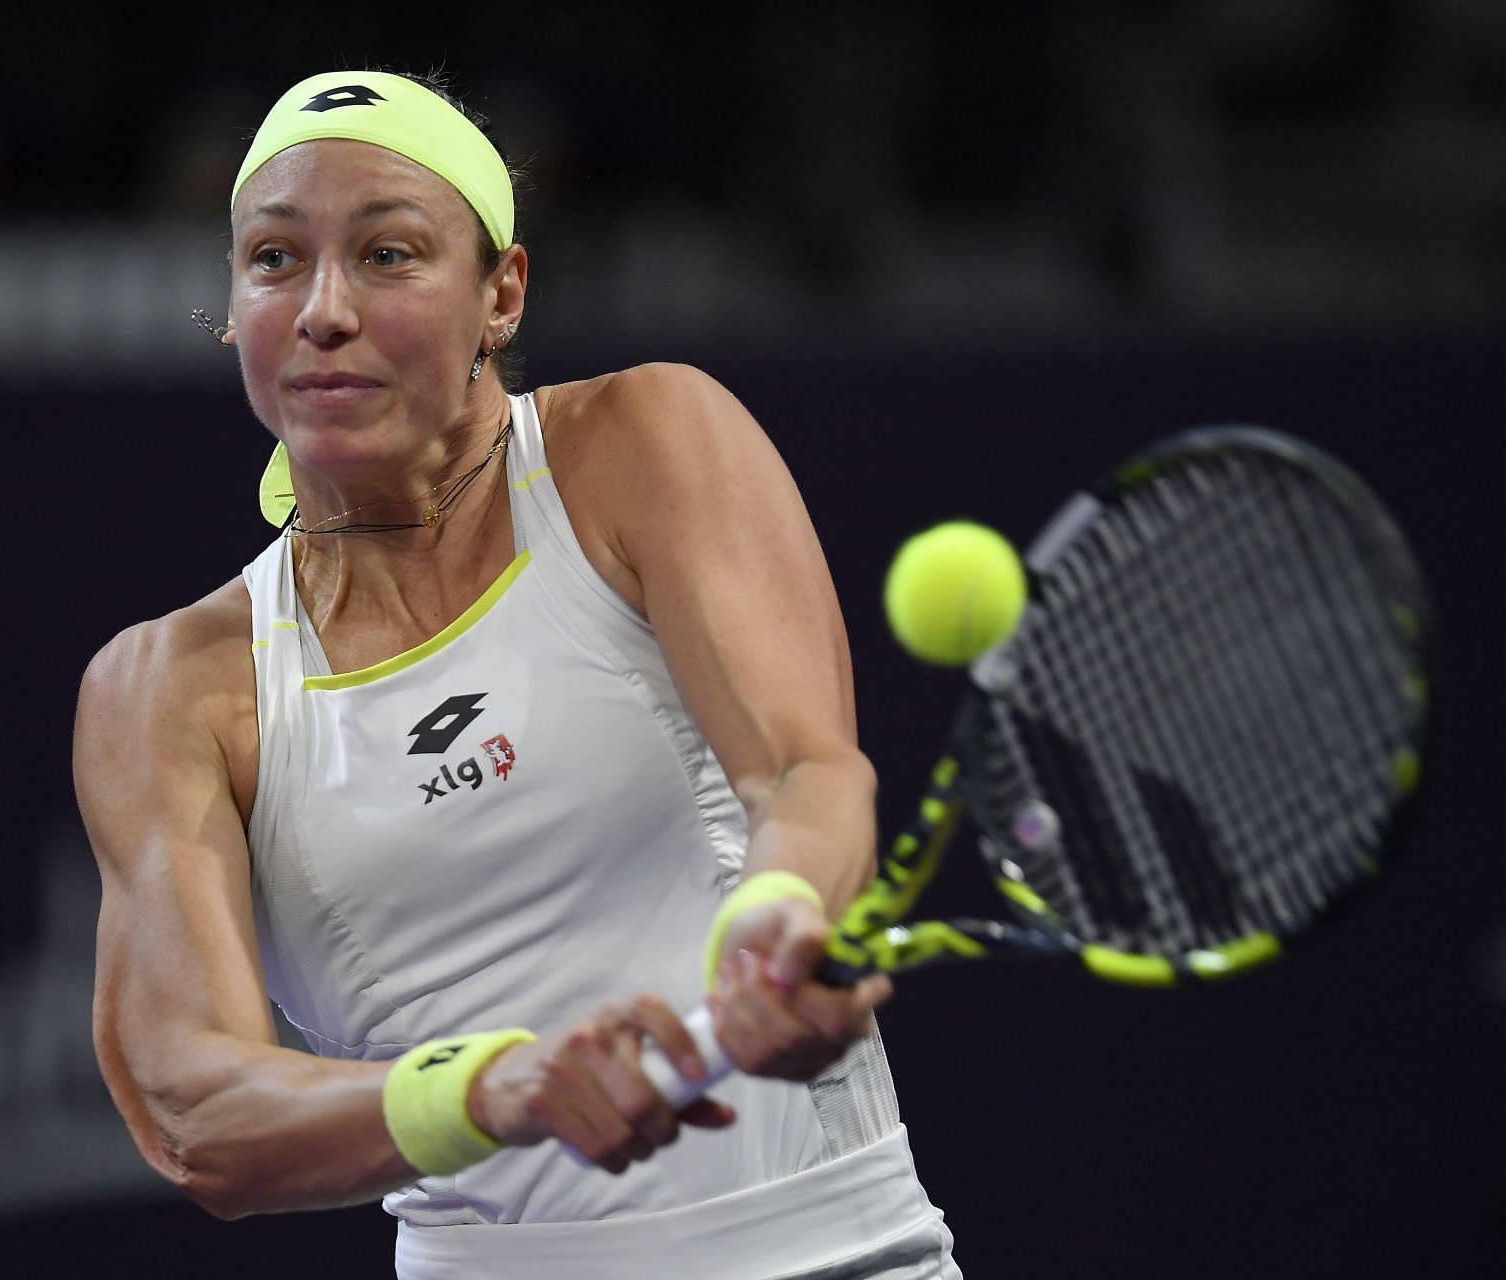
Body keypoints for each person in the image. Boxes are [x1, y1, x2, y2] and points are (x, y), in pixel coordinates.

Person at [73, 69, 961, 1279]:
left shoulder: (644, 441)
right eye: (275, 259)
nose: (324, 307)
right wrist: (493, 1087)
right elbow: (192, 1110)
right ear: (234, 305)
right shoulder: (165, 691)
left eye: (388, 254)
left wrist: (776, 918)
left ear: (502, 292)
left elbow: (806, 771)